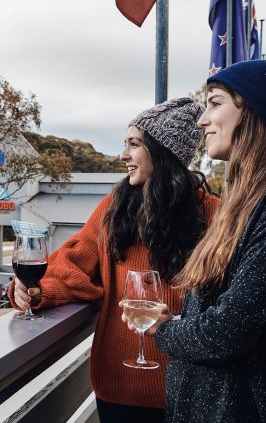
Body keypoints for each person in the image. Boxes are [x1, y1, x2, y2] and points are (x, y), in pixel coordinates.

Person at [123, 60, 266, 422]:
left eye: (215, 103)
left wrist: (163, 329)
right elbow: (235, 311)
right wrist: (179, 318)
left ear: (253, 110)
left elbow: (232, 330)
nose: (202, 120)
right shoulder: (244, 198)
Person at [10, 97, 220, 423]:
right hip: (119, 389)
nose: (123, 155)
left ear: (164, 152)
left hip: (190, 390)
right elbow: (73, 261)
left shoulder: (214, 215)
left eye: (134, 145)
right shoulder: (115, 207)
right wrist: (37, 290)